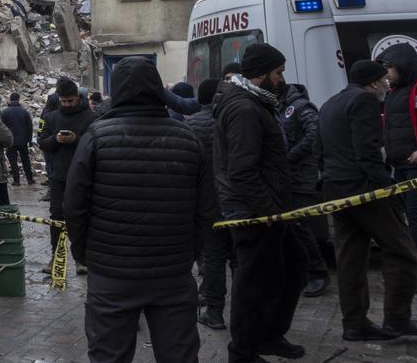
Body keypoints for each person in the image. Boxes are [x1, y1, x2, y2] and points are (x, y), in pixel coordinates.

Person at [65, 56, 217, 363]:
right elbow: (206, 210)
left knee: (109, 356)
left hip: (111, 274)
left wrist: (85, 254)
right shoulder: (188, 139)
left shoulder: (95, 138)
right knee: (180, 355)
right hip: (172, 274)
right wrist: (189, 253)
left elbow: (74, 207)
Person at [213, 43, 307, 362]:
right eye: (278, 72)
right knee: (253, 284)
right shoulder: (245, 108)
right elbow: (241, 170)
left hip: (267, 208)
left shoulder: (255, 103)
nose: (282, 79)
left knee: (291, 268)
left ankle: (268, 336)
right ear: (262, 74)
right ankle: (243, 351)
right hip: (253, 211)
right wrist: (267, 209)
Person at [319, 59, 417, 342]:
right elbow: (367, 152)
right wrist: (386, 189)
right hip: (363, 191)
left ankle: (354, 324)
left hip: (335, 189)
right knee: (403, 251)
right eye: (384, 80)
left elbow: (322, 150)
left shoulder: (330, 104)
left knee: (350, 259)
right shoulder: (364, 101)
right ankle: (397, 319)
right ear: (373, 83)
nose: (387, 84)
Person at [376, 42, 417, 287]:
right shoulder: (393, 93)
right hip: (398, 165)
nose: (387, 74)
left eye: (390, 68)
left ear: (404, 66)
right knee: (411, 216)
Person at [185, 79, 234, 331]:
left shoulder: (191, 124)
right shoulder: (233, 120)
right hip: (237, 202)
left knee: (213, 259)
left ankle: (213, 311)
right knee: (239, 260)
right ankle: (243, 313)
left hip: (208, 203)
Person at [37, 79, 97, 272]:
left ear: (78, 98)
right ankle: (55, 257)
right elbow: (42, 142)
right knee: (56, 216)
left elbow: (96, 144)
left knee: (80, 217)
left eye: (70, 101)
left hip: (82, 177)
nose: (67, 105)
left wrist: (76, 140)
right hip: (58, 176)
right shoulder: (52, 117)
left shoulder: (91, 117)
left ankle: (81, 259)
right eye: (63, 101)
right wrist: (55, 139)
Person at [277, 80, 329, 297]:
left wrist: (291, 156)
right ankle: (301, 272)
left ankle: (318, 273)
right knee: (290, 227)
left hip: (301, 176)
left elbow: (314, 134)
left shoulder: (300, 107)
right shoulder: (280, 107)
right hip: (287, 177)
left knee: (300, 226)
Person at [2, 92, 35, 187]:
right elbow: (30, 127)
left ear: (10, 100)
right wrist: (30, 141)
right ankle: (30, 179)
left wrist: (4, 141)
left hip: (10, 141)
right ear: (18, 99)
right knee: (25, 160)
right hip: (23, 141)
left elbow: (2, 127)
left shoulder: (5, 112)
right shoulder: (24, 112)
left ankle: (16, 181)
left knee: (13, 161)